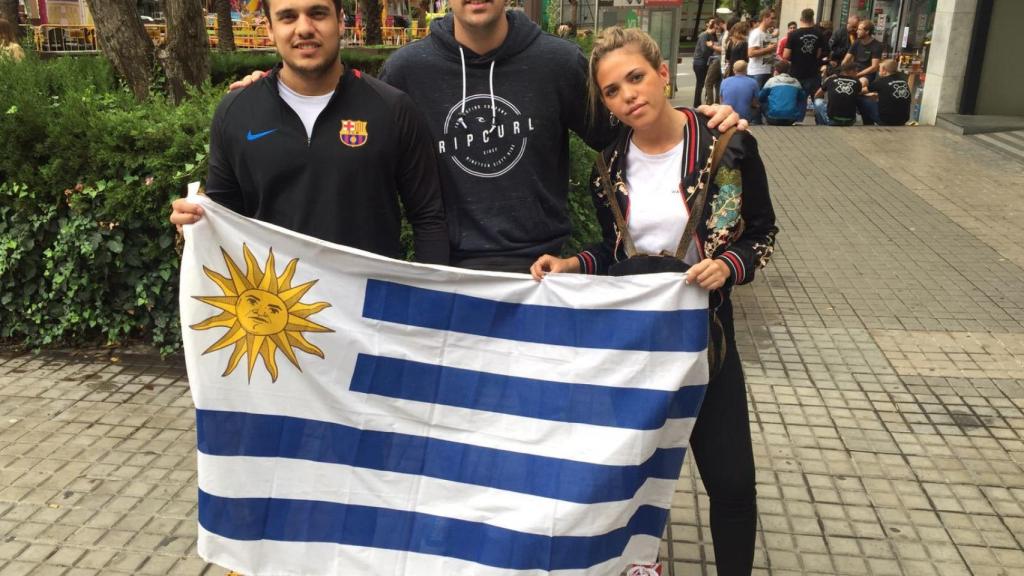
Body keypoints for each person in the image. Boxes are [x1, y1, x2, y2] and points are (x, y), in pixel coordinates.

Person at [231, 0, 747, 273]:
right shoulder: (408, 70)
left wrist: (697, 122)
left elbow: (625, 132)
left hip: (543, 272)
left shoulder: (558, 63)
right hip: (449, 270)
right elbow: (348, 120)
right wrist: (269, 91)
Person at [529, 26, 777, 576]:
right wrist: (573, 264)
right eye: (613, 91)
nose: (628, 97)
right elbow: (618, 254)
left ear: (664, 74)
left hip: (704, 342)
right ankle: (635, 563)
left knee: (733, 480)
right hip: (636, 350)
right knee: (629, 473)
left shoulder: (727, 145)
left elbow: (761, 233)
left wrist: (729, 265)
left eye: (636, 78)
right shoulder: (607, 168)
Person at [169, 0, 449, 265]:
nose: (303, 28)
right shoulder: (236, 112)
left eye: (317, 13)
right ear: (269, 28)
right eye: (288, 16)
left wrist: (427, 307)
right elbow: (223, 219)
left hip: (367, 312)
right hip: (276, 307)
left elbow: (428, 218)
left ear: (340, 22)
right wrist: (194, 224)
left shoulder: (393, 109)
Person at [784, 8, 824, 99]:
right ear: (812, 19)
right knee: (816, 99)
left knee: (797, 100)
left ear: (801, 18)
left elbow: (786, 55)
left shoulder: (793, 34)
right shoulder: (819, 33)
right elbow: (818, 54)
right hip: (813, 73)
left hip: (796, 73)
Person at [864, 59, 911, 126]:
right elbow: (890, 93)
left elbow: (861, 91)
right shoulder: (903, 81)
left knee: (863, 100)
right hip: (903, 119)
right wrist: (877, 95)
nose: (878, 71)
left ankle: (868, 126)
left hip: (886, 120)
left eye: (879, 69)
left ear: (884, 70)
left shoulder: (881, 81)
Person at [758, 60, 806, 125]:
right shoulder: (796, 82)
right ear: (789, 70)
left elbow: (760, 97)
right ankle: (799, 120)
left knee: (763, 101)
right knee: (801, 99)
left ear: (776, 70)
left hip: (773, 118)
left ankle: (759, 120)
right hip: (791, 119)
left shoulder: (771, 81)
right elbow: (802, 99)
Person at [814, 61, 860, 126]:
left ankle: (821, 124)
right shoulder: (857, 82)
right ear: (850, 71)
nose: (857, 73)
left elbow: (817, 95)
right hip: (850, 121)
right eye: (856, 71)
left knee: (817, 101)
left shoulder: (830, 80)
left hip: (833, 120)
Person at [842, 19, 882, 83]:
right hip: (854, 70)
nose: (857, 31)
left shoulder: (877, 45)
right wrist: (842, 70)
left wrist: (858, 75)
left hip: (867, 74)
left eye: (860, 30)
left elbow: (874, 67)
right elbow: (846, 59)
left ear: (867, 32)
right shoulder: (856, 42)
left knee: (860, 83)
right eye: (857, 29)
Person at [746, 9, 777, 90]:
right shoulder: (756, 33)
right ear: (765, 18)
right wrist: (768, 49)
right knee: (757, 99)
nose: (774, 21)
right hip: (757, 72)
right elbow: (751, 53)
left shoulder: (767, 33)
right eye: (772, 18)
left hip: (766, 71)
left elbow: (767, 52)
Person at [693, 18, 717, 108]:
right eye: (716, 28)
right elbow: (704, 50)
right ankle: (696, 103)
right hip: (700, 62)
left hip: (704, 62)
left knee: (704, 83)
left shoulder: (710, 35)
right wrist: (713, 54)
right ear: (713, 27)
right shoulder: (704, 35)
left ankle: (700, 102)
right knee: (700, 83)